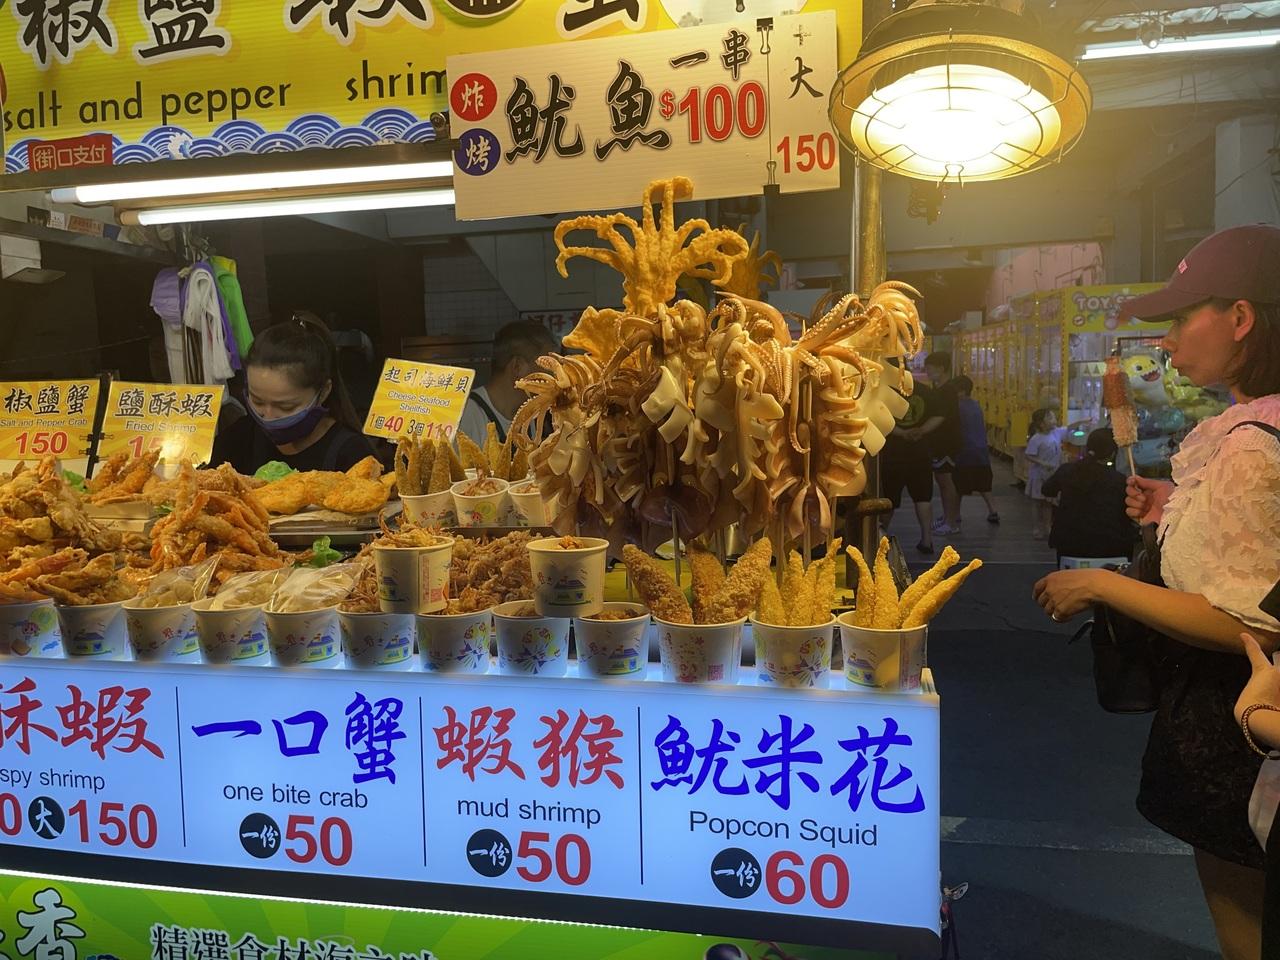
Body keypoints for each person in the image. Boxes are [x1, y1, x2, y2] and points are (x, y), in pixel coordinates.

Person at [1033, 223, 1280, 960]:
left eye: (1180, 319)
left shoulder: (1251, 445)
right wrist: (1179, 506)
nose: (1167, 342)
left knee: (1248, 931)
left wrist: (1100, 583)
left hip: (1242, 730)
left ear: (1241, 318)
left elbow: (1246, 621)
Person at [211, 314, 373, 475]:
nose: (268, 417)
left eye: (285, 407)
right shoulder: (239, 438)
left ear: (323, 392)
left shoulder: (352, 454)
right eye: (257, 401)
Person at [1041, 428, 1134, 563]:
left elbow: (1047, 490)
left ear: (1087, 447)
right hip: (1111, 547)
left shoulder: (1067, 470)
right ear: (1112, 454)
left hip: (1069, 544)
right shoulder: (1119, 480)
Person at [458, 321, 557, 447]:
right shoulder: (466, 414)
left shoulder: (528, 417)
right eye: (549, 365)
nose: (555, 376)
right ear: (517, 366)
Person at [911, 352, 962, 535]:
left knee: (946, 481)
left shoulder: (947, 391)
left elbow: (942, 417)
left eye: (930, 368)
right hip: (941, 441)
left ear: (941, 368)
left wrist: (921, 431)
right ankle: (948, 517)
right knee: (943, 481)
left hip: (946, 442)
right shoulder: (942, 389)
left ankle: (951, 522)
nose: (927, 372)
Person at [880, 389, 935, 555]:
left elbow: (881, 420)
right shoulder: (926, 392)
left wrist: (902, 433)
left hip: (893, 455)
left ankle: (880, 539)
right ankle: (927, 540)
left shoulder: (887, 391)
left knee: (889, 500)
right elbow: (939, 416)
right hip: (921, 453)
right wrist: (921, 431)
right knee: (923, 498)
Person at [952, 375, 999, 525]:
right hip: (981, 452)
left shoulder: (957, 407)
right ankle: (993, 511)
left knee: (958, 486)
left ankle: (955, 514)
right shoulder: (975, 405)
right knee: (984, 485)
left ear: (961, 391)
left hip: (964, 452)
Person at [1024, 407, 1065, 539]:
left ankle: (1047, 527)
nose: (1054, 419)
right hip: (1039, 476)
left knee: (1048, 502)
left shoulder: (1056, 432)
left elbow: (1069, 428)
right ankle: (1037, 527)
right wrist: (1043, 463)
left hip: (1051, 474)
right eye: (1050, 417)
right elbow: (1028, 455)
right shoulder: (1036, 439)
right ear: (1042, 423)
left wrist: (1084, 421)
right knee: (1037, 502)